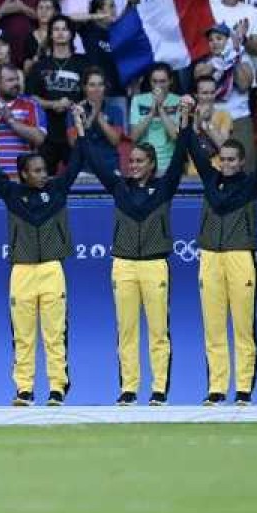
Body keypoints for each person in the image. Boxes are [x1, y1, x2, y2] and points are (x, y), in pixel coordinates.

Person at [81, 110, 181, 405]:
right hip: (123, 265)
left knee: (158, 331)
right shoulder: (119, 187)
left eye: (140, 161)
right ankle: (129, 388)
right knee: (126, 330)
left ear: (152, 164)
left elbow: (181, 157)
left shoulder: (164, 188)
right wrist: (79, 127)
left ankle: (159, 389)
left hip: (154, 266)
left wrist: (185, 122)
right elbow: (96, 163)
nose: (134, 166)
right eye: (132, 161)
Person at [0, 137, 83, 406]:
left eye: (44, 169)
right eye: (36, 171)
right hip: (22, 272)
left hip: (52, 269)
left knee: (54, 333)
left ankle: (57, 387)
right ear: (23, 174)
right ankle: (24, 389)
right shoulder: (12, 194)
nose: (43, 175)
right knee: (23, 336)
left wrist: (82, 132)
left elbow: (75, 163)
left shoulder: (58, 190)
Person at [184, 106, 257, 404]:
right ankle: (217, 388)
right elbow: (191, 147)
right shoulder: (210, 179)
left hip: (240, 257)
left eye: (232, 160)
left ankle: (243, 389)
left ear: (242, 162)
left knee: (244, 327)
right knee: (214, 327)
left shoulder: (252, 184)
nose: (227, 164)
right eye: (224, 159)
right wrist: (187, 119)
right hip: (209, 258)